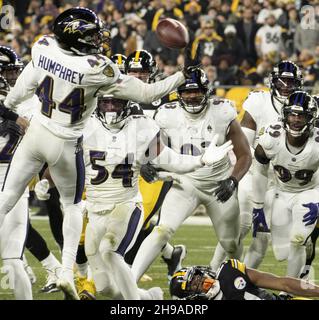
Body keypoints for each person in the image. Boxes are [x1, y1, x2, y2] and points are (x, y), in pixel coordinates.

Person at [0, 7, 202, 300]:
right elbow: (147, 94)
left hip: (36, 133)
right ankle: (67, 271)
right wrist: (182, 76)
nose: (98, 39)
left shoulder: (42, 47)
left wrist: (9, 107)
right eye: (92, 34)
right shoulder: (97, 68)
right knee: (71, 207)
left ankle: (69, 272)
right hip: (66, 141)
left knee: (6, 198)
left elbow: (22, 89)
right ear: (76, 36)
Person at [83, 91, 233, 300]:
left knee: (110, 250)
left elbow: (171, 160)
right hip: (96, 208)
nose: (111, 109)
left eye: (116, 103)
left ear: (126, 104)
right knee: (105, 289)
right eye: (106, 103)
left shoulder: (140, 128)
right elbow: (70, 167)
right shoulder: (87, 127)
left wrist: (201, 161)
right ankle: (148, 297)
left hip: (126, 205)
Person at [131, 69, 252, 282]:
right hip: (185, 183)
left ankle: (237, 283)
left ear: (207, 91)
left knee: (230, 244)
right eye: (186, 92)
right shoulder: (167, 114)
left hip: (218, 185)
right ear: (178, 94)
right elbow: (152, 147)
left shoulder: (222, 111)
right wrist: (145, 164)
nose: (192, 96)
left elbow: (244, 155)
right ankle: (130, 283)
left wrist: (233, 181)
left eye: (196, 91)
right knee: (162, 231)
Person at [210, 60, 304, 271]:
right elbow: (245, 142)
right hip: (255, 173)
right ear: (273, 81)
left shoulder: (303, 108)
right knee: (240, 226)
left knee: (262, 237)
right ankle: (213, 270)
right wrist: (265, 155)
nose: (287, 86)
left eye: (291, 82)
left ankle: (242, 279)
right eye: (283, 81)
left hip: (279, 182)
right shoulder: (259, 101)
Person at [124, 49, 186, 279]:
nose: (138, 76)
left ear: (152, 73)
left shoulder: (166, 98)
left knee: (138, 218)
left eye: (143, 72)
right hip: (124, 165)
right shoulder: (117, 94)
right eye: (134, 71)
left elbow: (171, 134)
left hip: (156, 167)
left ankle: (126, 271)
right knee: (124, 216)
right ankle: (171, 254)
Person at [252, 91, 319, 288]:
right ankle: (302, 253)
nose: (296, 120)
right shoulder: (270, 138)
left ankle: (289, 291)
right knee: (281, 254)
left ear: (311, 117)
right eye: (292, 114)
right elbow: (259, 172)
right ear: (284, 115)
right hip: (281, 192)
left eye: (302, 115)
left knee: (297, 240)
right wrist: (257, 207)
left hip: (310, 191)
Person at [169, 259, 319, 300]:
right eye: (194, 284)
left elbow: (283, 283)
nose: (202, 280)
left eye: (198, 276)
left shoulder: (229, 272)